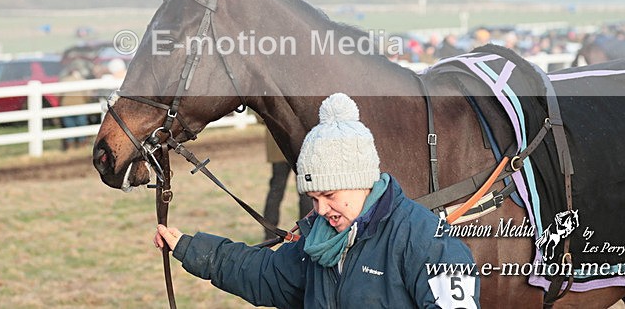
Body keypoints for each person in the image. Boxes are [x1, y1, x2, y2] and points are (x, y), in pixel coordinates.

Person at [154, 93, 480, 308]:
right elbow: (264, 275)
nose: (321, 210)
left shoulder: (430, 242)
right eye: (313, 198)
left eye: (329, 195)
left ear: (361, 182)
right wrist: (188, 247)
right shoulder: (316, 243)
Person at [262, 130, 313, 241]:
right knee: (305, 191)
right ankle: (306, 234)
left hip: (281, 146)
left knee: (276, 190)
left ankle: (269, 235)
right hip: (298, 145)